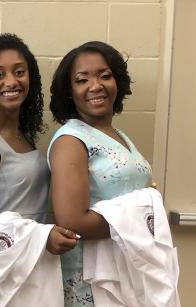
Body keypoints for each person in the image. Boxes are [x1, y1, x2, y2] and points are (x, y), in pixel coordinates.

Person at [47, 41, 152, 306]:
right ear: (69, 91)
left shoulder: (119, 135)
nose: (95, 86)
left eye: (105, 76)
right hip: (93, 281)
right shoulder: (71, 140)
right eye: (82, 80)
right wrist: (145, 220)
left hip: (127, 268)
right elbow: (72, 220)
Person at [0, 33, 78, 253]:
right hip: (3, 270)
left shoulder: (21, 134)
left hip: (32, 261)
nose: (11, 81)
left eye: (19, 72)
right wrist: (36, 238)